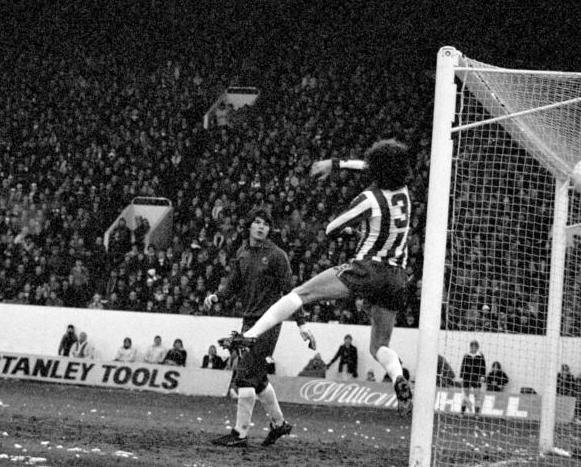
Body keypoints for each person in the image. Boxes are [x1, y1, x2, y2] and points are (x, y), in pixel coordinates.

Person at [221, 140, 414, 415]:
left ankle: (249, 335)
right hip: (397, 278)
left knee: (300, 294)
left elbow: (331, 228)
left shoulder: (369, 199)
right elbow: (366, 166)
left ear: (377, 168)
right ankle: (398, 378)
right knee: (380, 346)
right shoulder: (404, 192)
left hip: (368, 269)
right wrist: (336, 164)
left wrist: (349, 231)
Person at [204, 210, 310, 447]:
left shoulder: (277, 256)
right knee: (257, 379)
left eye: (266, 224)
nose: (262, 227)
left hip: (268, 324)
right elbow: (233, 284)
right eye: (257, 223)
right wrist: (217, 297)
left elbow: (291, 293)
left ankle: (240, 434)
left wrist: (301, 322)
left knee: (244, 375)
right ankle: (279, 424)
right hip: (248, 322)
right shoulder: (242, 253)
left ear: (270, 230)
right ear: (250, 226)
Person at [460, 340, 486, 413]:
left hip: (476, 378)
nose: (474, 348)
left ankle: (476, 414)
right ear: (470, 347)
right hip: (467, 377)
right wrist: (462, 376)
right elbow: (463, 366)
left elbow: (483, 367)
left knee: (477, 396)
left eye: (475, 347)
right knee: (465, 396)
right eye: (472, 347)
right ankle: (462, 412)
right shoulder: (466, 355)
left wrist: (483, 376)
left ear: (477, 348)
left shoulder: (480, 356)